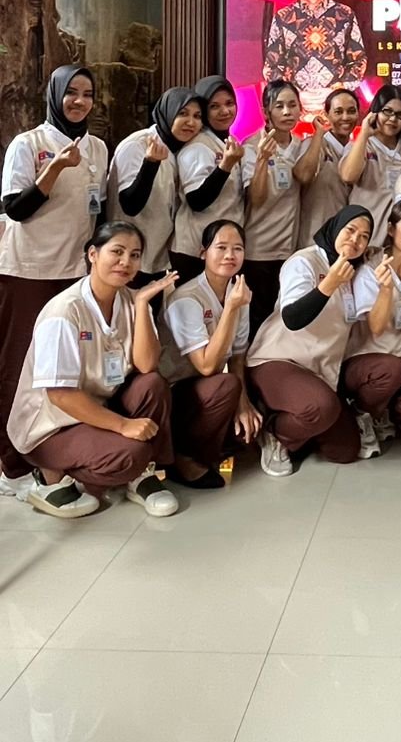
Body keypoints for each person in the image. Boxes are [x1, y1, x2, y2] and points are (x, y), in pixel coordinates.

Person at [7, 222, 179, 519]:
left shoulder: (131, 299)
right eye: (117, 252)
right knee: (131, 454)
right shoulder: (65, 310)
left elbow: (147, 365)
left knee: (152, 384)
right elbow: (60, 396)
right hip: (51, 425)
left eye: (135, 255)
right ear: (93, 254)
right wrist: (123, 426)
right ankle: (49, 478)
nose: (126, 262)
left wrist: (141, 304)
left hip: (98, 405)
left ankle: (140, 476)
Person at [0, 65, 108, 494]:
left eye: (88, 94)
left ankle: (55, 454)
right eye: (72, 93)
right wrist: (55, 169)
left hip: (75, 273)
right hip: (29, 270)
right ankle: (10, 463)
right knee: (17, 367)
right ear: (55, 95)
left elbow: (100, 209)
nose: (79, 101)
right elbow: (15, 209)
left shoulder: (97, 147)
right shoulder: (29, 144)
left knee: (64, 369)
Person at [246, 206, 389, 473]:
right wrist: (329, 282)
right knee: (321, 407)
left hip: (320, 371)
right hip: (279, 360)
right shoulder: (305, 261)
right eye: (350, 230)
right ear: (335, 228)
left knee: (345, 450)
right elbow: (293, 318)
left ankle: (299, 424)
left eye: (364, 237)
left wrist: (384, 287)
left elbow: (374, 324)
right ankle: (274, 432)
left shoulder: (354, 273)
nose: (355, 240)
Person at [160, 219, 260, 487]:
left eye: (237, 248)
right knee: (226, 385)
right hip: (173, 390)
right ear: (203, 253)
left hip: (206, 387)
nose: (230, 255)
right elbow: (206, 366)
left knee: (248, 425)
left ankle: (211, 446)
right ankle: (182, 458)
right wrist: (231, 309)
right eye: (221, 247)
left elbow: (237, 356)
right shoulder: (186, 299)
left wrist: (243, 405)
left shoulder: (238, 292)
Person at [344, 198, 401, 450]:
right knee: (390, 370)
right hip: (363, 361)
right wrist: (385, 290)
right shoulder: (370, 270)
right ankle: (361, 411)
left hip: (398, 361)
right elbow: (376, 327)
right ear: (392, 229)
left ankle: (382, 412)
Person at [107, 86, 203, 284]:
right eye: (183, 113)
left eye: (197, 116)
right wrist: (150, 163)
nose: (191, 122)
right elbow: (130, 204)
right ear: (167, 112)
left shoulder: (182, 149)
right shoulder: (138, 145)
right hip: (128, 257)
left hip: (159, 257)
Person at [262, 0, 367, 109]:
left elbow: (358, 62)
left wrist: (335, 91)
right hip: (293, 112)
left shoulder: (345, 15)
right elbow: (272, 67)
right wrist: (294, 94)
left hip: (336, 112)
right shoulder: (282, 18)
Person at [241, 80, 305, 332]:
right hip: (258, 251)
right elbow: (255, 199)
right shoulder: (251, 145)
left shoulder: (301, 145)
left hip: (290, 250)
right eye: (279, 106)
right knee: (258, 321)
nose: (287, 112)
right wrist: (262, 159)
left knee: (283, 321)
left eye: (292, 105)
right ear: (266, 111)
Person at [171, 76, 245, 284]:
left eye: (229, 103)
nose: (224, 111)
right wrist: (226, 166)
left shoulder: (227, 142)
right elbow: (197, 200)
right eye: (214, 106)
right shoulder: (197, 145)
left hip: (220, 248)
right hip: (196, 250)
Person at [339, 83, 401, 246]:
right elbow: (348, 176)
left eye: (400, 115)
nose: (393, 119)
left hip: (400, 241)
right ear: (375, 112)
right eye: (387, 111)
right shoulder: (363, 145)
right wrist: (364, 134)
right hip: (365, 239)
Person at [295, 88, 360, 246]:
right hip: (313, 240)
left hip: (348, 242)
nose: (345, 117)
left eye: (351, 111)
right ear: (327, 115)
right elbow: (303, 176)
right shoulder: (313, 144)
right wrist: (318, 134)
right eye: (338, 112)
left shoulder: (359, 151)